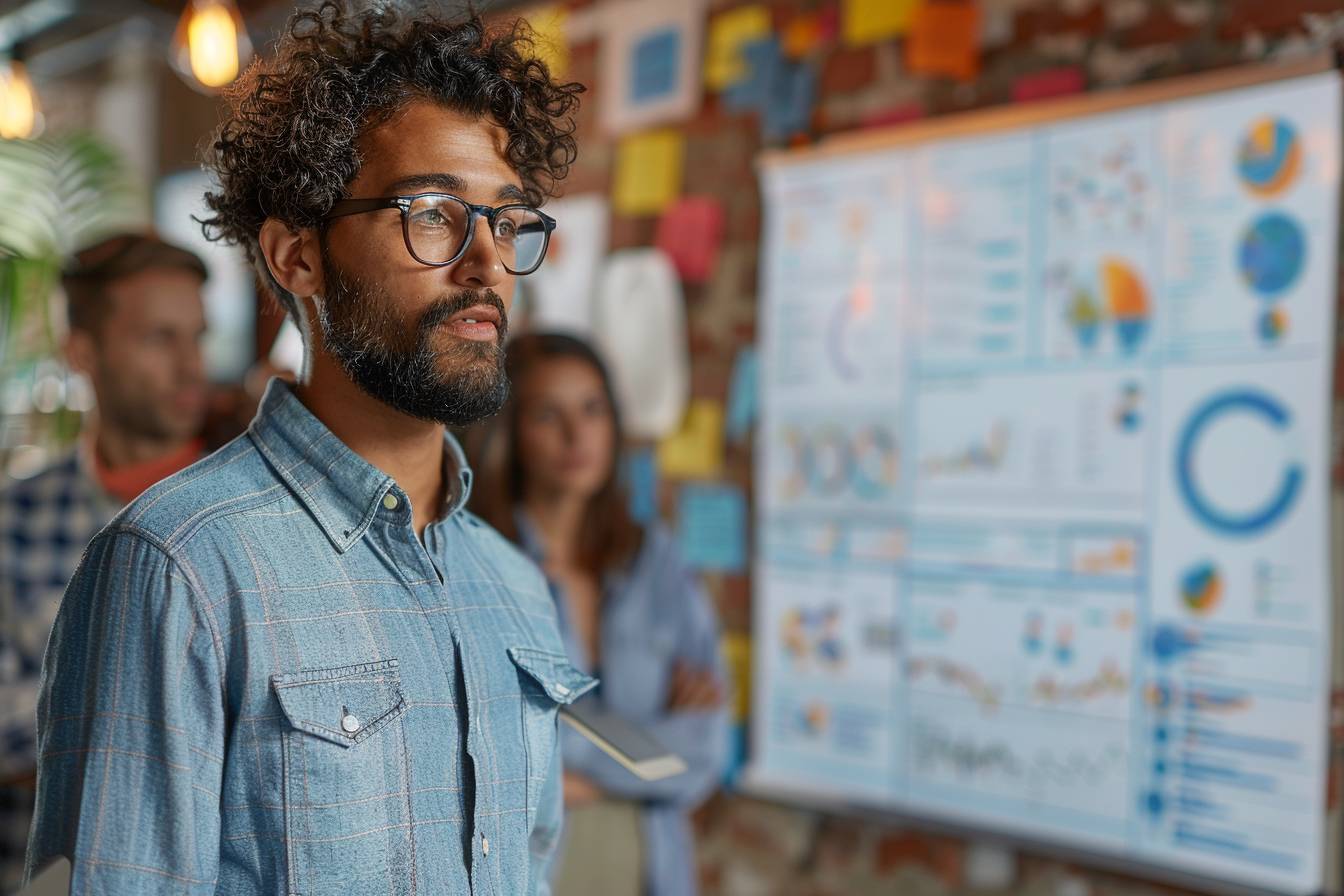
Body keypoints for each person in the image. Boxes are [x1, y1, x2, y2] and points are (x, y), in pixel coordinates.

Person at [24, 5, 590, 895]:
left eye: (509, 220)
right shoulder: (178, 569)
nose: (486, 259)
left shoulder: (515, 589)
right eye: (433, 214)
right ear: (297, 258)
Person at [469, 332, 730, 896]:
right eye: (547, 414)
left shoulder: (655, 562)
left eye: (593, 409)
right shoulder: (478, 567)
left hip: (652, 869)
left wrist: (573, 772)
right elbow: (481, 764)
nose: (577, 434)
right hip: (529, 872)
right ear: (511, 434)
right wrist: (647, 751)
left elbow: (708, 746)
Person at [0, 231, 210, 889]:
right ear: (83, 352)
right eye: (159, 338)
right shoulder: (13, 519)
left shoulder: (249, 515)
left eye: (196, 336)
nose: (191, 366)